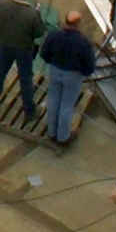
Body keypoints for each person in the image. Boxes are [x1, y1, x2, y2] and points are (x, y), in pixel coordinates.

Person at [0, 0, 44, 122]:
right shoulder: (32, 13)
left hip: (4, 46)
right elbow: (39, 33)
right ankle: (30, 112)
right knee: (25, 79)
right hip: (23, 50)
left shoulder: (1, 4)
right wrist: (37, 15)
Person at [41, 10, 97, 144]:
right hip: (73, 76)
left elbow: (44, 53)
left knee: (53, 100)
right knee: (67, 105)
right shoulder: (83, 43)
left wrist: (52, 62)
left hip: (55, 70)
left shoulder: (54, 35)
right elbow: (89, 65)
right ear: (78, 24)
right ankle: (63, 137)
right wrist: (84, 73)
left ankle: (51, 132)